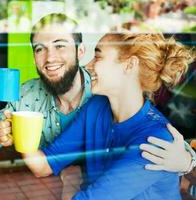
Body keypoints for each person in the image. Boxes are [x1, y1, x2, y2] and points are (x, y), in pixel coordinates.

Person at [0, 13, 195, 194]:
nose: (49, 57)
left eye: (60, 45)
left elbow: (161, 138)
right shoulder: (86, 105)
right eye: (39, 49)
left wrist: (187, 161)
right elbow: (38, 162)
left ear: (80, 51)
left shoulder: (109, 98)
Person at [21, 33, 195, 199]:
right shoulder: (95, 108)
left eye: (98, 57)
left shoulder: (155, 142)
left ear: (129, 65)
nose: (87, 66)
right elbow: (44, 165)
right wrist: (17, 128)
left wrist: (70, 183)